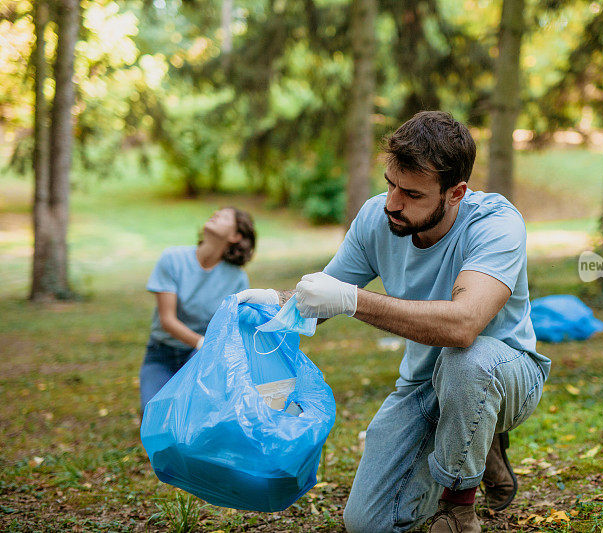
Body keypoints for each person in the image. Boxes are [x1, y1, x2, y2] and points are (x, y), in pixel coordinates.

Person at [238, 111, 550, 532]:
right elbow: (322, 297)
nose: (392, 203)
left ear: (455, 193)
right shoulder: (377, 219)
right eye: (389, 184)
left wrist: (353, 300)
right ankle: (473, 436)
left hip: (506, 372)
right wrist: (271, 303)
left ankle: (458, 506)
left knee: (466, 361)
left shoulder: (495, 224)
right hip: (423, 384)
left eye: (412, 194)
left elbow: (463, 325)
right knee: (367, 524)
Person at [140, 207, 256, 413]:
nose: (216, 214)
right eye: (216, 212)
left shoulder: (237, 278)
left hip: (200, 357)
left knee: (191, 416)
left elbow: (233, 328)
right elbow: (167, 321)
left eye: (225, 215)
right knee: (153, 415)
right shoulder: (172, 259)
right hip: (161, 354)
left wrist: (206, 349)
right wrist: (202, 342)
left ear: (235, 236)